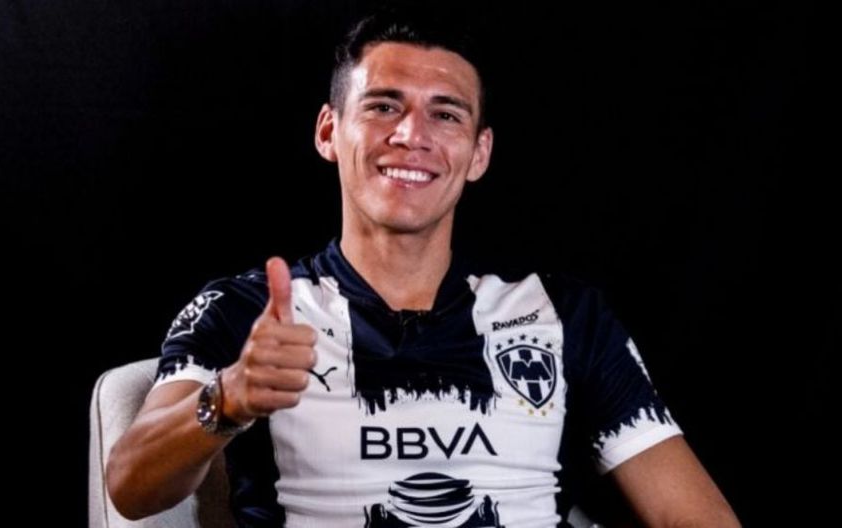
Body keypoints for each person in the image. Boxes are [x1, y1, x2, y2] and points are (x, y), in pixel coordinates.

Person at [106, 9, 741, 527]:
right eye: (383, 106)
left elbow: (692, 516)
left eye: (446, 113)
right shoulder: (245, 311)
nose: (413, 135)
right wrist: (230, 397)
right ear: (329, 132)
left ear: (478, 153)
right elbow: (130, 487)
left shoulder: (563, 315)